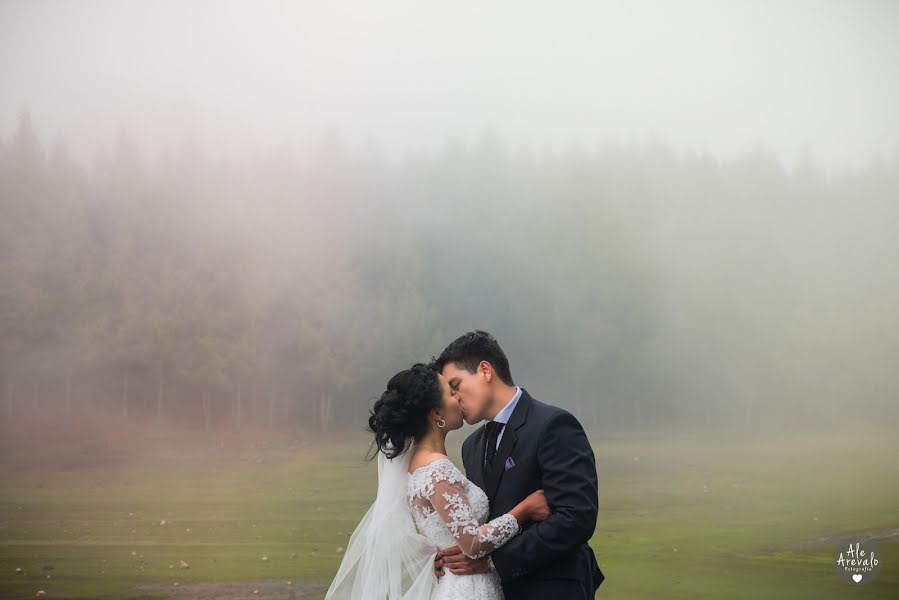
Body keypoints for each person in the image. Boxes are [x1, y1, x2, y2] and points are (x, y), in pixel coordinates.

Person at [324, 362, 550, 600]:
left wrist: (437, 555)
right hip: (470, 589)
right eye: (451, 393)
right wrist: (524, 510)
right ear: (436, 413)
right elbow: (472, 542)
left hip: (458, 583)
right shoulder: (436, 469)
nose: (459, 397)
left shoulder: (417, 467)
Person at [432, 330, 605, 599]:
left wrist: (493, 561)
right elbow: (479, 522)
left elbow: (576, 518)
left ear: (485, 371)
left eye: (456, 385)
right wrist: (446, 555)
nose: (454, 399)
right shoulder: (471, 446)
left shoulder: (553, 425)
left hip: (553, 588)